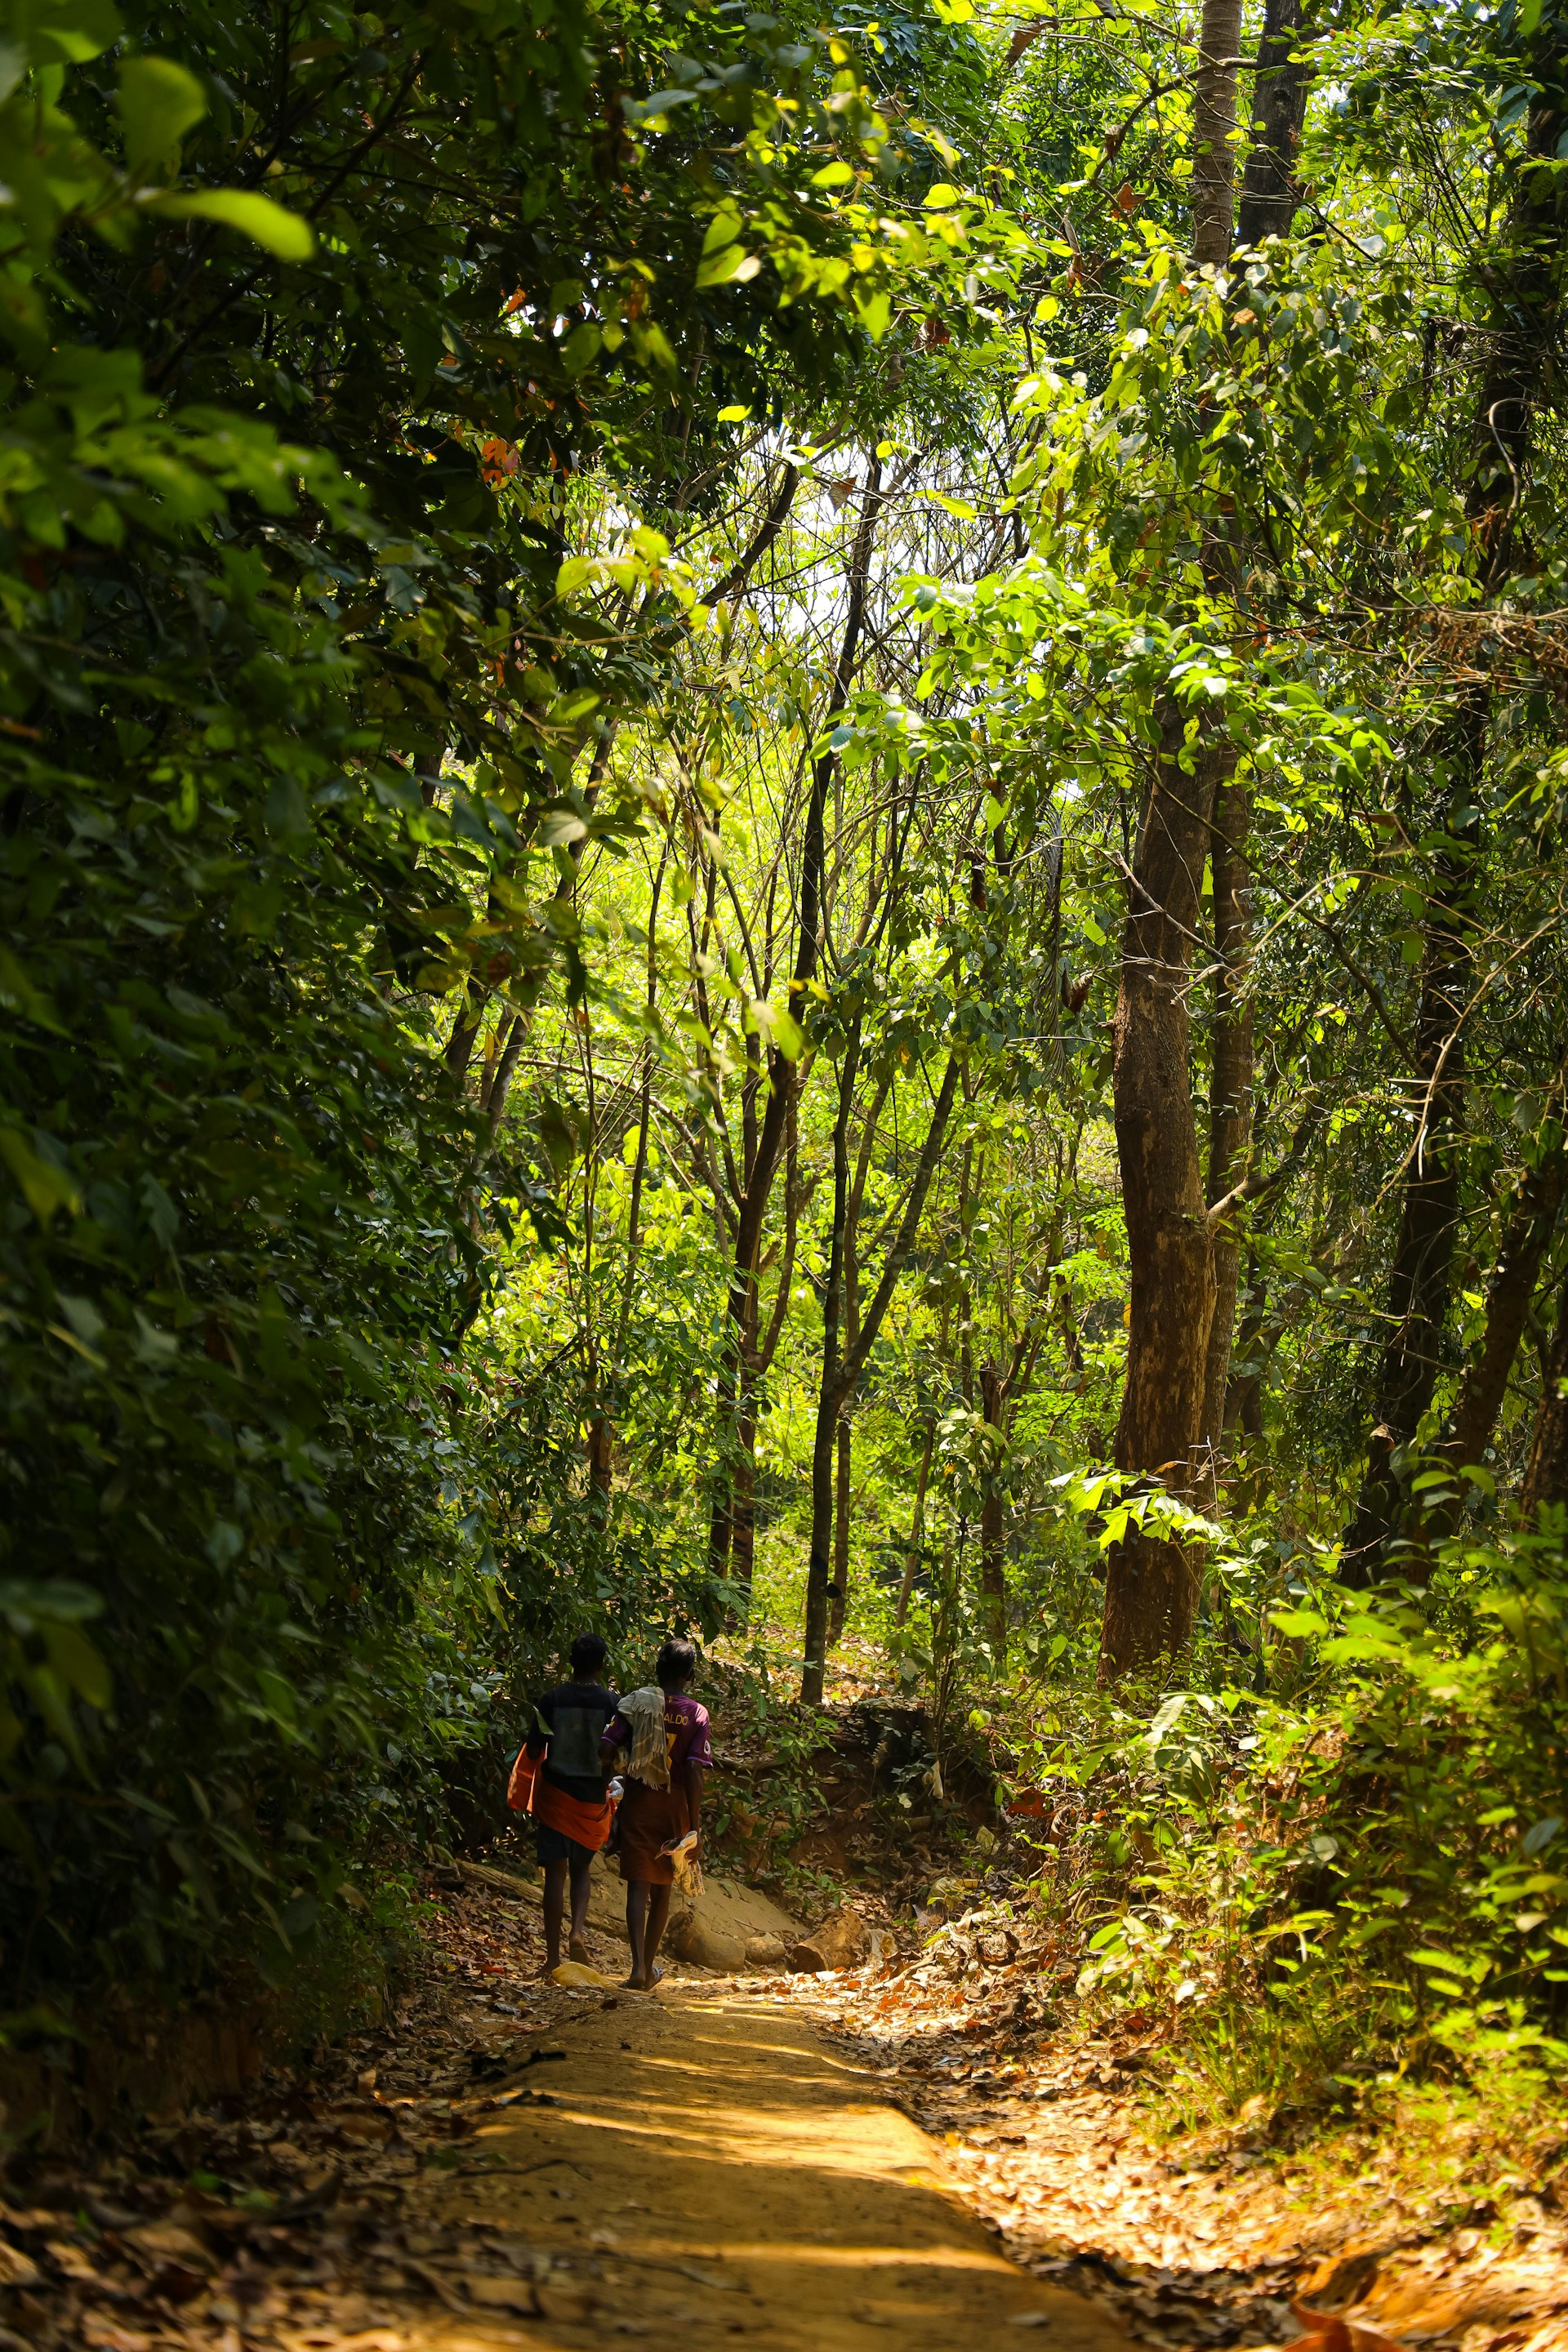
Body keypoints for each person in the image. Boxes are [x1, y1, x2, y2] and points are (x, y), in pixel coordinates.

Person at [599, 1637, 711, 1991]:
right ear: (690, 1675)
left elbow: (605, 1746)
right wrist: (693, 1826)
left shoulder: (637, 1703)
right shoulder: (697, 1714)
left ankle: (636, 1969)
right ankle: (648, 1968)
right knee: (663, 1888)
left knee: (638, 1885)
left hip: (640, 1798)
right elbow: (695, 1772)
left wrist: (621, 1767)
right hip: (676, 1805)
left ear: (657, 1669)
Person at [519, 1631, 620, 1975]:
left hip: (556, 1798)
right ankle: (577, 1932)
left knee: (554, 1877)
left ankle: (551, 1960)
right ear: (602, 1665)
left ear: (570, 1661)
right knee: (581, 1872)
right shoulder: (611, 1703)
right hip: (592, 1799)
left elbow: (534, 1751)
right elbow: (617, 1753)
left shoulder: (551, 1700)